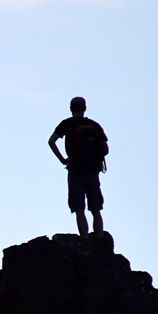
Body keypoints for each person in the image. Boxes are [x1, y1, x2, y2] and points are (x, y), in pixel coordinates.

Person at [48, 96, 109, 237]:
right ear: (85, 108)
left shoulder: (66, 124)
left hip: (75, 170)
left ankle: (84, 240)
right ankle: (99, 240)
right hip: (93, 171)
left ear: (70, 108)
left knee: (79, 208)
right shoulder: (94, 125)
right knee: (96, 209)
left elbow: (51, 141)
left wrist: (63, 160)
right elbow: (105, 150)